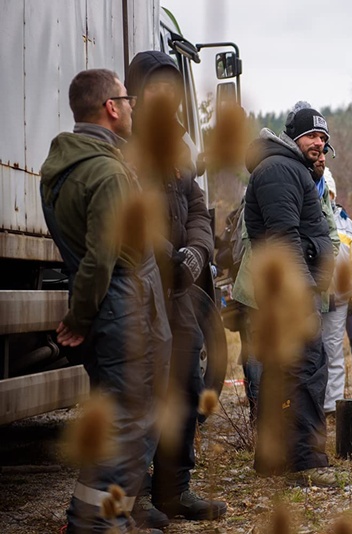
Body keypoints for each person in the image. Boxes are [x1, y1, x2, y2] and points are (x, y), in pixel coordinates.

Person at [40, 68, 171, 532]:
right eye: (127, 99)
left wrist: (83, 313)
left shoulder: (63, 167)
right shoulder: (108, 172)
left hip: (109, 305)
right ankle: (96, 524)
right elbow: (102, 258)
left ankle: (107, 515)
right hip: (125, 306)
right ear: (111, 108)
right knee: (130, 419)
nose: (133, 106)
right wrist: (80, 315)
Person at [124, 51, 226, 526]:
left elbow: (199, 209)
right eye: (156, 88)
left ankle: (174, 489)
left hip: (182, 289)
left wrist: (198, 252)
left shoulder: (179, 147)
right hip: (140, 284)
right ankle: (133, 494)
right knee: (143, 389)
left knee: (185, 384)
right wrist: (168, 253)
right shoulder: (124, 143)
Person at [235, 101, 336, 485]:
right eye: (312, 135)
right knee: (304, 371)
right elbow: (283, 238)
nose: (319, 143)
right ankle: (304, 462)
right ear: (293, 137)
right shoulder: (280, 170)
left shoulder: (289, 169)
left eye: (323, 138)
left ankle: (272, 460)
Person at [321, 169, 352, 413]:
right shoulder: (307, 217)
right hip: (310, 298)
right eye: (322, 191)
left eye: (329, 192)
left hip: (338, 300)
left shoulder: (348, 225)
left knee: (333, 351)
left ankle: (332, 405)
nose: (325, 197)